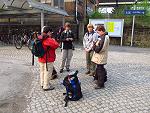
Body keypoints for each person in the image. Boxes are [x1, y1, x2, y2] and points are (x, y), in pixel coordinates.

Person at [38, 26, 59, 91]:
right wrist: (53, 40)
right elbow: (56, 45)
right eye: (50, 32)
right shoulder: (48, 39)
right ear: (48, 32)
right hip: (48, 59)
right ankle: (46, 86)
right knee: (47, 72)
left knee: (42, 71)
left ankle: (42, 83)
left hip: (41, 58)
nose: (51, 34)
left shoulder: (40, 37)